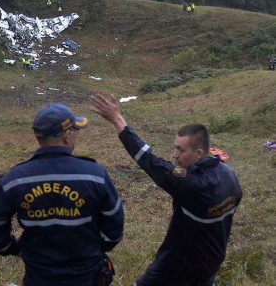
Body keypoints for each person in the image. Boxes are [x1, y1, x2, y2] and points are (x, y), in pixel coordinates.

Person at [90, 94, 243, 286]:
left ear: (198, 153)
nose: (175, 155)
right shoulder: (229, 174)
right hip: (210, 263)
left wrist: (117, 119)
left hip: (177, 264)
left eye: (181, 150)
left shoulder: (190, 184)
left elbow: (149, 160)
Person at [0, 103, 125, 286]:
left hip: (38, 278)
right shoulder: (94, 175)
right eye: (75, 130)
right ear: (66, 135)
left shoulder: (15, 179)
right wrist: (96, 248)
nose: (76, 135)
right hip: (87, 278)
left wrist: (17, 249)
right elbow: (115, 227)